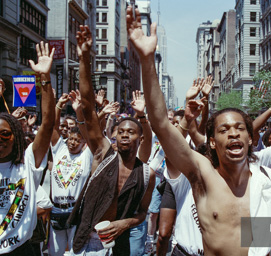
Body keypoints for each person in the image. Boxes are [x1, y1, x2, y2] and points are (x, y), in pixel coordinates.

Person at [126, 7, 271, 255]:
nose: (233, 134)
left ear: (251, 139)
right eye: (224, 130)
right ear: (212, 142)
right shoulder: (202, 176)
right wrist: (146, 60)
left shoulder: (269, 184)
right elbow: (162, 126)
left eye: (240, 128)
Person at [68, 25, 155, 256]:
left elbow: (143, 212)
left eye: (131, 131)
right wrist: (84, 57)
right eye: (121, 131)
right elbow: (86, 106)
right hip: (86, 242)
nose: (125, 134)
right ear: (114, 135)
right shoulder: (104, 155)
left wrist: (124, 224)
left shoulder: (146, 173)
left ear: (141, 138)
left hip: (119, 244)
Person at [0, 41, 55, 255]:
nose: (0, 139)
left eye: (5, 133)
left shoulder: (27, 161)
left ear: (16, 137)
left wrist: (45, 79)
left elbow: (48, 123)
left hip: (23, 249)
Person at [48, 91, 93, 255]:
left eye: (77, 140)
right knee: (55, 253)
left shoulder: (86, 155)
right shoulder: (59, 149)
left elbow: (89, 135)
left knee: (76, 252)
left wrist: (78, 111)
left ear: (83, 143)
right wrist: (58, 105)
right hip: (56, 212)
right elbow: (51, 126)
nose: (73, 143)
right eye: (71, 139)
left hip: (76, 213)